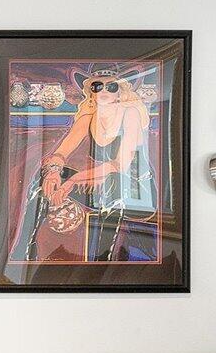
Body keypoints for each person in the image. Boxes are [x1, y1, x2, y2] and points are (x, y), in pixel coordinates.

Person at [35, 68, 155, 262]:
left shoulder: (130, 113)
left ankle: (102, 263)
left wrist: (73, 180)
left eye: (112, 86)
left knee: (113, 187)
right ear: (91, 90)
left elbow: (120, 165)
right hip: (103, 181)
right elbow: (60, 152)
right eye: (98, 86)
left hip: (135, 189)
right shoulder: (88, 117)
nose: (105, 90)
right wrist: (54, 171)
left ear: (120, 91)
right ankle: (28, 252)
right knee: (43, 179)